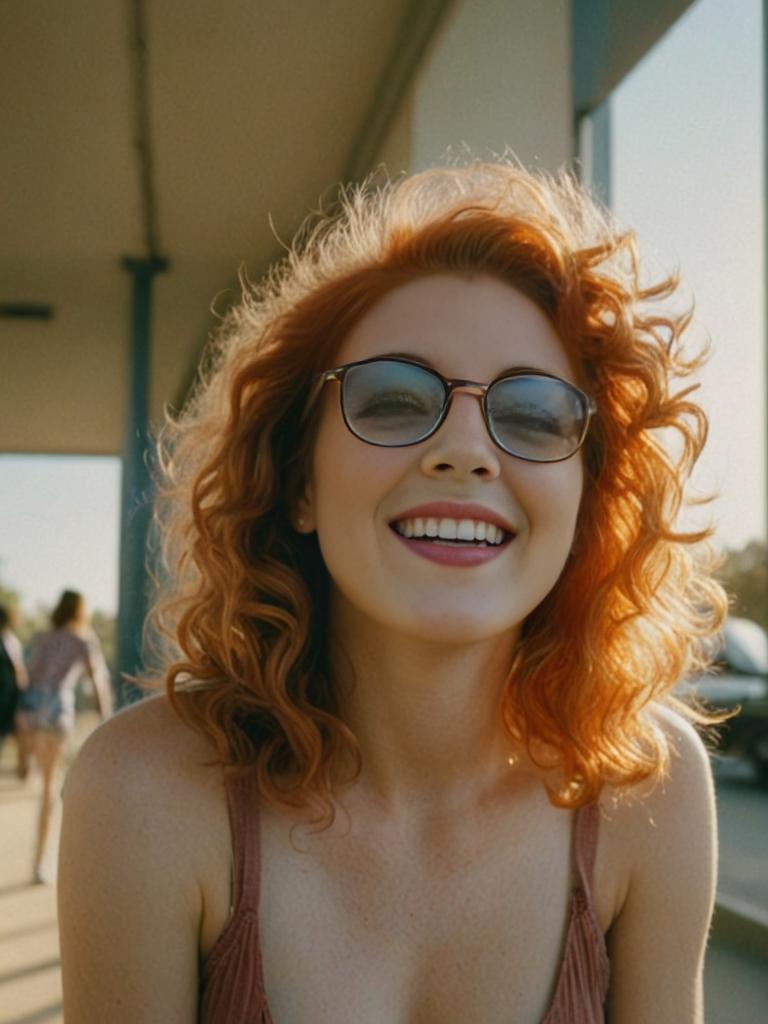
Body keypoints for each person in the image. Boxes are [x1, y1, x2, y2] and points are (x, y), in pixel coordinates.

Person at [59, 161, 726, 1023]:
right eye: (394, 399)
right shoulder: (144, 793)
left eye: (530, 415)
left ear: (588, 499)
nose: (466, 449)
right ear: (298, 481)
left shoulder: (653, 795)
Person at [16, 589, 112, 883]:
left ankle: (24, 765)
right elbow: (99, 684)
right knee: (49, 788)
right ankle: (39, 865)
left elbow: (25, 675)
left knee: (28, 780)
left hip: (28, 711)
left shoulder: (40, 638)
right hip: (56, 713)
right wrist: (108, 722)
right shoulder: (83, 640)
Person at [0, 603, 28, 771]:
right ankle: (22, 769)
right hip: (6, 698)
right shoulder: (9, 640)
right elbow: (19, 669)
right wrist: (23, 693)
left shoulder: (9, 640)